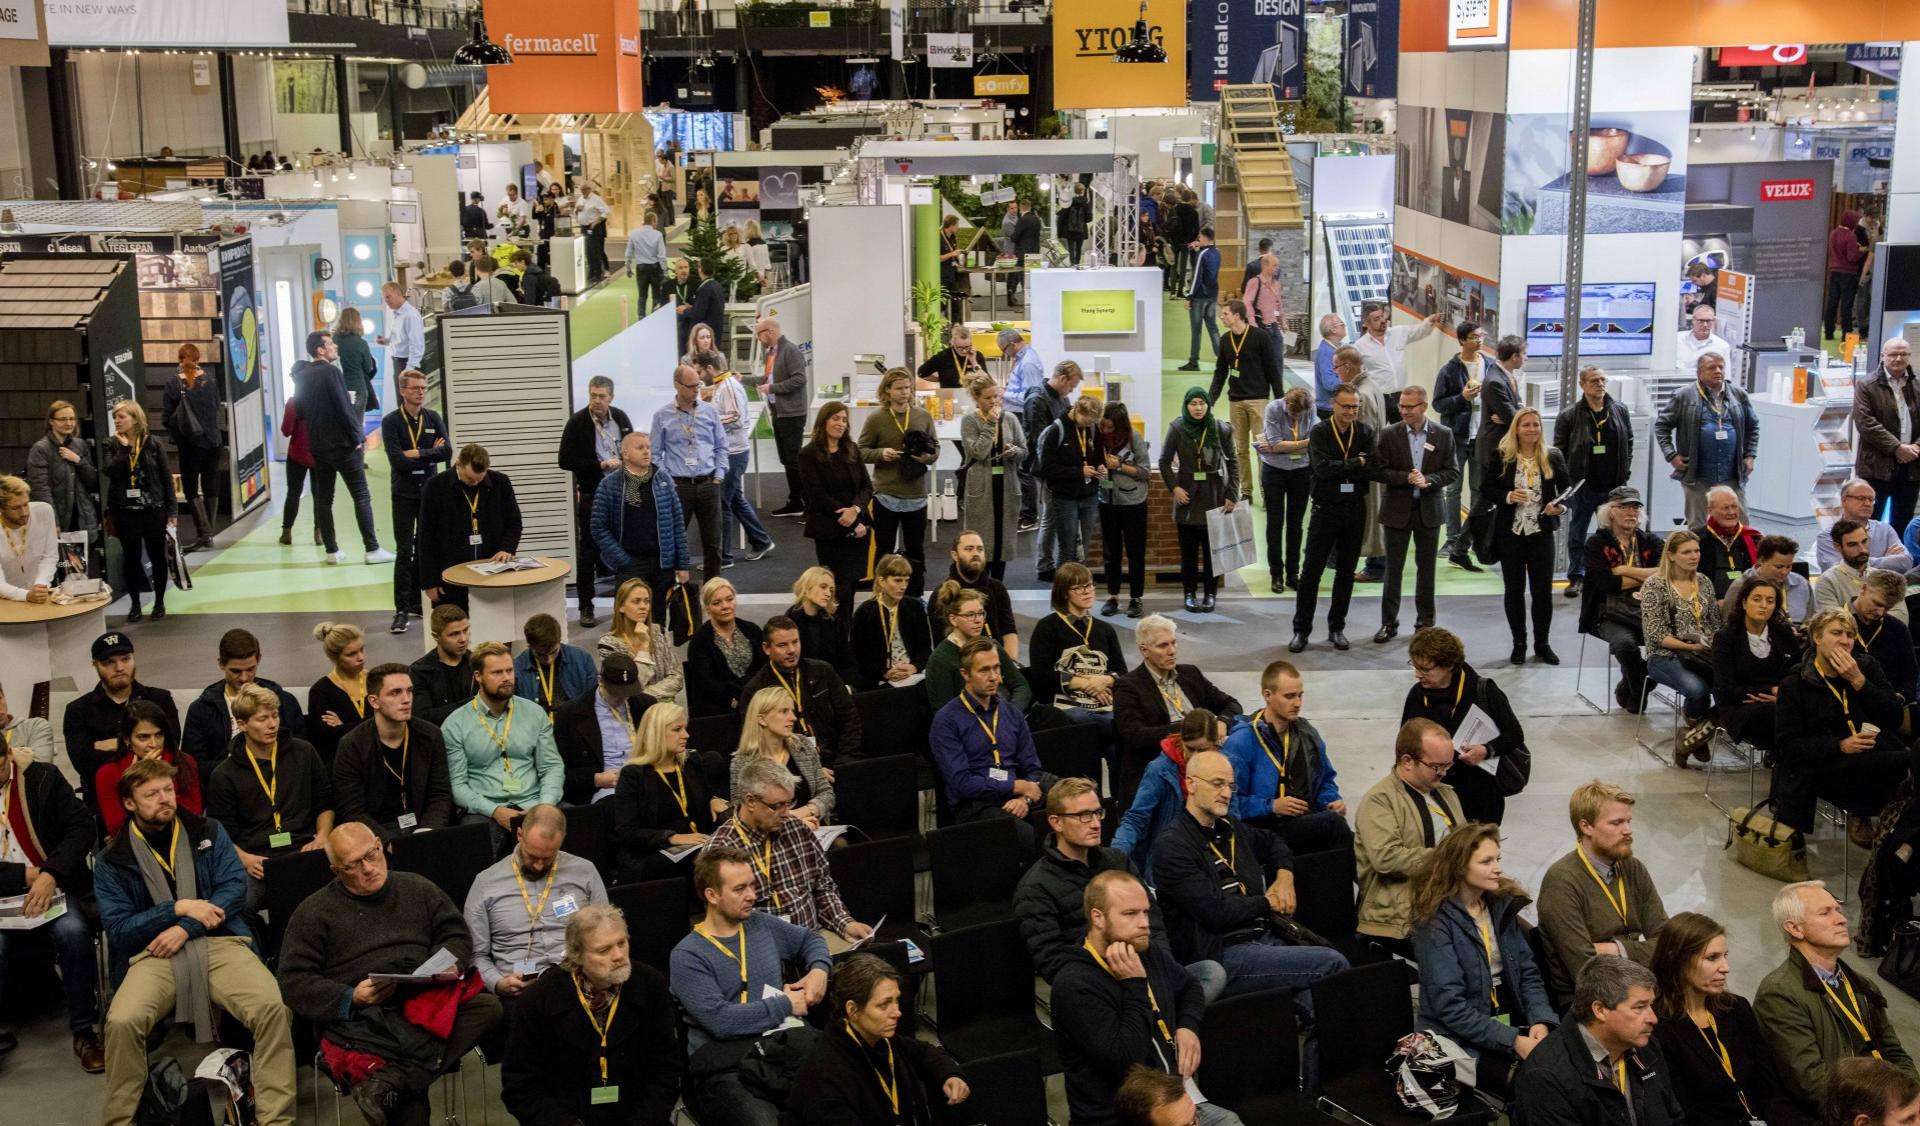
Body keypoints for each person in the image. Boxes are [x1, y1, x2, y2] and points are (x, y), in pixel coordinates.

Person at [96, 759, 295, 1126]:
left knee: (273, 1007)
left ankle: (275, 1120)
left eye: (168, 790)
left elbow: (234, 889)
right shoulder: (113, 859)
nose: (164, 799)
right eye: (151, 794)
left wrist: (185, 927)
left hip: (220, 941)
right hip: (152, 953)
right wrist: (175, 908)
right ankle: (120, 1120)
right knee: (123, 1021)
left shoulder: (207, 830)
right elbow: (120, 929)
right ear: (129, 803)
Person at [277, 822, 501, 1126]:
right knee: (411, 1114)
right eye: (355, 864)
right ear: (336, 870)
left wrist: (444, 963)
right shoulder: (314, 913)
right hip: (367, 1018)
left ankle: (391, 1081)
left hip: (423, 1001)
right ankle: (395, 1083)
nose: (369, 868)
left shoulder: (416, 887)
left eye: (372, 854)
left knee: (487, 1008)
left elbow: (455, 936)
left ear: (381, 845)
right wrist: (350, 997)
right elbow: (294, 982)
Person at [1152, 747, 1349, 1013]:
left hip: (1261, 937)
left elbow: (1273, 842)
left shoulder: (1228, 828)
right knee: (1332, 964)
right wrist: (1267, 903)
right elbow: (1215, 911)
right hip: (1223, 953)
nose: (1226, 793)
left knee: (1319, 1004)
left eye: (1231, 785)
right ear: (1191, 784)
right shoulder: (1172, 846)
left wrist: (1284, 876)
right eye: (1217, 784)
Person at [1053, 871, 1243, 1126]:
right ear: (1098, 917)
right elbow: (1126, 1060)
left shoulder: (1144, 949)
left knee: (1230, 1121)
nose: (1144, 923)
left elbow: (1189, 987)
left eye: (1145, 912)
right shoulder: (1075, 985)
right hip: (1125, 1118)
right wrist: (1134, 985)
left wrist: (1187, 1026)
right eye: (1130, 914)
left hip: (1173, 1101)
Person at [670, 846, 833, 1126]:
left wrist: (820, 968)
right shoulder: (687, 955)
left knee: (843, 1103)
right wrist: (785, 1004)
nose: (753, 896)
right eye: (740, 889)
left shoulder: (761, 925)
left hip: (780, 1047)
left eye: (753, 885)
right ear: (712, 895)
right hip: (727, 1065)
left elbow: (810, 940)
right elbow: (721, 1021)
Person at [500, 904, 681, 1126]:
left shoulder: (650, 985)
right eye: (603, 950)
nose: (618, 956)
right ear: (577, 956)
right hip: (566, 1117)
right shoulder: (538, 1001)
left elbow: (666, 1069)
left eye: (622, 943)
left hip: (639, 1116)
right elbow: (520, 1086)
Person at [1409, 823, 1557, 1093]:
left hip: (1506, 1018)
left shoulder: (1500, 905)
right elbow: (1450, 1008)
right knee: (1539, 1082)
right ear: (1459, 867)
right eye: (1486, 861)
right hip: (1455, 1037)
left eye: (1498, 859)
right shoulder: (1434, 923)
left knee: (1569, 1068)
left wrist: (1540, 1020)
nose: (1498, 868)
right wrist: (1513, 1040)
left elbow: (1528, 974)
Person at [1756, 880, 1918, 1104]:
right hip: (1841, 1113)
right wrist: (1886, 1107)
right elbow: (1813, 1084)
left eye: (1838, 911)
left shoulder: (1863, 985)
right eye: (1825, 913)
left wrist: (1911, 1096)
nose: (1842, 919)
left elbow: (1895, 1053)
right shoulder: (1779, 994)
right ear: (1795, 928)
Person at [1648, 911, 1812, 1126]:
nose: (1725, 968)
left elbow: (1771, 1088)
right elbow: (1685, 1112)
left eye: (1725, 955)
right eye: (1712, 958)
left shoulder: (1737, 1009)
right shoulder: (1658, 1028)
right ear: (1676, 959)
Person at [0, 730, 103, 1071]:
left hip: (54, 885)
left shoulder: (42, 778)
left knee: (73, 932)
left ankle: (84, 1031)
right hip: (4, 891)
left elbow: (82, 828)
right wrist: (24, 876)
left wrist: (50, 873)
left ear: (8, 758)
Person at [464, 803, 607, 1033]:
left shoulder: (585, 872)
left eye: (548, 858)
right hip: (522, 989)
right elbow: (476, 954)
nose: (539, 865)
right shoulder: (485, 883)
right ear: (519, 834)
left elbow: (605, 933)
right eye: (532, 856)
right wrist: (498, 983)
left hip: (578, 978)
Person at [1772, 610, 1913, 836]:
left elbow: (1894, 717)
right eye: (1836, 633)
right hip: (1829, 764)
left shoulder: (1866, 668)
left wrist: (1858, 681)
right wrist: (1840, 745)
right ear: (1817, 637)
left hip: (1875, 754)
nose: (1845, 641)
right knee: (1912, 761)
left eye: (1850, 635)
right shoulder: (1796, 683)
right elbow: (1786, 746)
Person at [788, 953, 970, 1125]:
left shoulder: (877, 1038)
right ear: (852, 1009)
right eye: (884, 1005)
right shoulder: (827, 1081)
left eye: (896, 1000)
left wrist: (949, 1074)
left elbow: (923, 1052)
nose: (897, 1012)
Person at [1510, 956, 1684, 1126]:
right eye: (1640, 1007)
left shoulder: (1646, 1045)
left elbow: (1674, 1117)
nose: (1653, 1019)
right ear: (1600, 1010)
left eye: (1651, 1005)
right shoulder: (1546, 1076)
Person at [1536, 781, 1669, 1001]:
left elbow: (1669, 943)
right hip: (1590, 1000)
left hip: (1640, 988)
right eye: (1617, 823)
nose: (1627, 830)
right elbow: (1585, 969)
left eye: (1628, 821)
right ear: (1586, 827)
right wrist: (1642, 950)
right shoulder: (1561, 881)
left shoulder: (1633, 868)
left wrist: (1615, 949)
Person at [204, 683, 333, 909]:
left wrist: (323, 836)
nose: (272, 724)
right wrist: (244, 859)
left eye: (275, 716)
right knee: (237, 905)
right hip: (259, 859)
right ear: (242, 724)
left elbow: (325, 803)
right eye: (262, 719)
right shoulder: (224, 774)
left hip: (304, 847)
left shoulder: (304, 752)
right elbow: (220, 832)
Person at [1019, 778, 1159, 980]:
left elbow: (1155, 922)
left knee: (1209, 973)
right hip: (1095, 986)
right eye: (1083, 816)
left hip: (1146, 967)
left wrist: (1156, 970)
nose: (1095, 824)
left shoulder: (1118, 860)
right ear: (1056, 822)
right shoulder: (1035, 888)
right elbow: (1052, 962)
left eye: (1097, 813)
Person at [929, 638, 1058, 851]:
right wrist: (1015, 786)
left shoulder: (1010, 712)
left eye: (997, 668)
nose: (993, 677)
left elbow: (1032, 766)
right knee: (1039, 843)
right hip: (977, 804)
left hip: (1021, 791)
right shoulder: (947, 721)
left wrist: (1024, 797)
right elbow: (963, 783)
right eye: (984, 670)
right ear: (965, 674)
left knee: (1077, 804)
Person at [1354, 719, 1468, 958]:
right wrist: (1449, 857)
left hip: (1450, 897)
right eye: (1436, 767)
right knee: (1464, 955)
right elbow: (1387, 859)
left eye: (1448, 765)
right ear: (1407, 761)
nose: (1444, 773)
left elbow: (1464, 840)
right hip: (1401, 912)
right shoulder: (1379, 801)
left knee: (1514, 934)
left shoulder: (1446, 793)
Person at [1219, 659, 1350, 853]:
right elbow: (1227, 802)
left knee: (1336, 830)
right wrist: (1271, 806)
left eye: (1300, 695)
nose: (1297, 703)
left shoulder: (1306, 733)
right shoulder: (1242, 742)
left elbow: (1325, 780)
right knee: (1334, 826)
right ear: (1268, 695)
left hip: (1303, 820)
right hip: (1262, 829)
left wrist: (1331, 801)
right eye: (1289, 696)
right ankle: (1370, 880)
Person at [1400, 627, 1527, 824]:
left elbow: (1514, 734)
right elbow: (1404, 745)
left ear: (1449, 665)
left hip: (1480, 798)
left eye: (1426, 669)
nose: (1418, 675)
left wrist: (1486, 750)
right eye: (1415, 667)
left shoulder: (1483, 691)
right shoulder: (1417, 696)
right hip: (1433, 797)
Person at [443, 641, 565, 841]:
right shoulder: (455, 724)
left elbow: (551, 766)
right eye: (497, 673)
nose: (507, 678)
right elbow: (457, 785)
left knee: (577, 825)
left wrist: (545, 805)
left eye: (509, 670)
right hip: (485, 810)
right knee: (474, 841)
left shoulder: (534, 713)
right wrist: (494, 811)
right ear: (478, 676)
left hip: (534, 801)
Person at [1113, 615, 1241, 805]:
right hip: (1161, 766)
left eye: (1174, 643)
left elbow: (1232, 704)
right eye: (1163, 646)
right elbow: (1135, 735)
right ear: (1144, 650)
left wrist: (1222, 721)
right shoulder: (1128, 686)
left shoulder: (1190, 673)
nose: (1172, 651)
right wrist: (1191, 729)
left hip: (1205, 757)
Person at [292, 331, 393, 567]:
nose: (335, 346)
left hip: (318, 445)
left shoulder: (303, 375)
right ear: (320, 349)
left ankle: (332, 551)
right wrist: (358, 436)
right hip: (343, 445)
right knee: (361, 495)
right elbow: (343, 408)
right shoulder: (332, 372)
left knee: (324, 498)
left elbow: (300, 411)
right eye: (330, 344)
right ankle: (372, 548)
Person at [1290, 384, 1375, 652]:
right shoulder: (1320, 432)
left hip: (1354, 509)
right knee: (1311, 572)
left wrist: (1350, 466)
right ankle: (1301, 630)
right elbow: (1323, 469)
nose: (1350, 411)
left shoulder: (1365, 432)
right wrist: (1354, 463)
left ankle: (1336, 627)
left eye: (1355, 407)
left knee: (1346, 572)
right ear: (1334, 405)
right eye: (1345, 406)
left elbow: (1370, 467)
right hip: (1325, 509)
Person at [1485, 405, 1570, 664]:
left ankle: (1542, 643)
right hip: (1510, 532)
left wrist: (1560, 506)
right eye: (1526, 425)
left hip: (1541, 533)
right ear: (1516, 429)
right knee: (1514, 590)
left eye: (1536, 424)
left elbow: (1567, 491)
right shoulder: (1502, 456)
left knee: (1542, 591)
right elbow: (1485, 488)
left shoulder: (1553, 456)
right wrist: (1508, 496)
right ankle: (1518, 643)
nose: (1532, 429)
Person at [332, 662, 455, 835]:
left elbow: (440, 794)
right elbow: (352, 810)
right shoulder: (352, 745)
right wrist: (387, 843)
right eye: (395, 693)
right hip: (376, 834)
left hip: (422, 826)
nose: (406, 699)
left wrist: (427, 831)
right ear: (374, 701)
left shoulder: (430, 735)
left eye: (409, 691)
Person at [1374, 385, 1457, 640]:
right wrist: (1406, 478)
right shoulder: (1389, 434)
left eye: (1409, 407)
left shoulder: (1443, 434)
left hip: (1429, 511)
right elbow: (1380, 471)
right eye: (1401, 406)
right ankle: (1389, 623)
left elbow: (1452, 472)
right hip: (1397, 511)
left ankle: (1425, 622)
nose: (1404, 411)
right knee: (1393, 569)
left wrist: (1429, 480)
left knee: (1426, 569)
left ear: (1424, 406)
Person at [609, 698, 720, 881]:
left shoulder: (691, 763)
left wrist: (713, 799)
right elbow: (627, 831)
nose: (686, 735)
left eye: (685, 728)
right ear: (656, 734)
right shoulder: (633, 775)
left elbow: (706, 797)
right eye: (677, 730)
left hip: (697, 845)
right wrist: (671, 837)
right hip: (653, 853)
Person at [64, 631, 180, 804]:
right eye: (109, 662)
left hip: (161, 793)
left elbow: (171, 748)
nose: (119, 668)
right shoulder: (78, 710)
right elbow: (87, 766)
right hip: (103, 799)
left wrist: (120, 746)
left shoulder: (160, 699)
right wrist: (139, 752)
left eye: (125, 659)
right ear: (94, 665)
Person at [1112, 710, 1229, 880]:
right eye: (1190, 748)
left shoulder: (1224, 768)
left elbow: (1232, 817)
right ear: (1181, 739)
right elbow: (1136, 818)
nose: (1195, 757)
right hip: (1169, 857)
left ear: (1215, 745)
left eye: (1203, 750)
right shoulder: (1159, 770)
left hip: (1213, 851)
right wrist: (1116, 855)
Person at [591, 432, 692, 621]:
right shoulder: (609, 485)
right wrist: (621, 560)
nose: (646, 451)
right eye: (640, 448)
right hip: (630, 563)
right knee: (630, 622)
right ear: (626, 454)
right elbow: (598, 527)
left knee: (658, 620)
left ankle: (657, 651)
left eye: (648, 447)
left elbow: (677, 524)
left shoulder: (663, 480)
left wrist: (682, 564)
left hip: (662, 563)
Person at [558, 375, 633, 627]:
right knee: (588, 551)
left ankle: (624, 605)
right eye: (593, 395)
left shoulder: (620, 419)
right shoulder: (578, 422)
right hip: (592, 494)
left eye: (601, 396)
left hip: (620, 494)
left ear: (611, 397)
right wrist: (599, 464)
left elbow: (631, 448)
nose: (596, 401)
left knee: (624, 548)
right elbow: (564, 460)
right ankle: (586, 607)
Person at [1640, 529, 1723, 758]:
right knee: (1698, 692)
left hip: (1703, 653)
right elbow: (1656, 633)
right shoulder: (1655, 585)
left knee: (1731, 688)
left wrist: (1711, 644)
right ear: (1671, 555)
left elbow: (1715, 623)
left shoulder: (1704, 582)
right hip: (1665, 655)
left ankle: (1692, 733)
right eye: (1687, 552)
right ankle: (1698, 734)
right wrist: (1690, 646)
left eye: (1696, 551)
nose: (1694, 556)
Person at [739, 615, 863, 767]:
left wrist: (844, 760)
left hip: (836, 758)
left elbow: (850, 718)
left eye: (795, 642)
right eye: (782, 645)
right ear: (766, 648)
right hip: (790, 770)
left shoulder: (823, 671)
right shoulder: (756, 690)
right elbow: (758, 744)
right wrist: (808, 771)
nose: (791, 650)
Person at [379, 368, 450, 633]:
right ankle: (401, 608)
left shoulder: (433, 417)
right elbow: (397, 460)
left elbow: (446, 451)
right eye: (415, 388)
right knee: (404, 549)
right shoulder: (391, 422)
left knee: (426, 546)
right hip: (404, 493)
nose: (420, 392)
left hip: (429, 492)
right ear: (403, 391)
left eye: (422, 387)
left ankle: (419, 602)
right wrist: (429, 453)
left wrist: (416, 453)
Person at [1578, 489, 1662, 711]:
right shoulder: (1596, 543)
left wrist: (1624, 569)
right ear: (1610, 512)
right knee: (1624, 645)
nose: (1631, 512)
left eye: (1635, 507)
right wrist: (1643, 576)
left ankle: (1630, 689)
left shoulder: (1651, 541)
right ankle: (1644, 681)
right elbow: (1606, 583)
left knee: (1672, 643)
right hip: (1608, 613)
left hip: (1648, 611)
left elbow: (1663, 574)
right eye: (1624, 507)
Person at [1554, 366, 1634, 599]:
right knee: (1577, 533)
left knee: (1613, 533)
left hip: (1613, 485)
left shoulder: (1618, 410)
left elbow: (1628, 441)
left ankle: (1609, 576)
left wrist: (1625, 472)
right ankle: (1576, 576)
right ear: (1582, 385)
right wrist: (1566, 483)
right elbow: (1559, 451)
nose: (1600, 384)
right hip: (1583, 486)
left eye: (1602, 380)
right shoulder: (1570, 415)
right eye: (1593, 381)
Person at [692, 348, 775, 569]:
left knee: (722, 504)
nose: (699, 377)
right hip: (731, 451)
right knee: (735, 499)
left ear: (709, 368)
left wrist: (707, 419)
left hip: (733, 453)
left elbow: (736, 418)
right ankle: (761, 541)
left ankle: (724, 557)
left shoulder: (728, 387)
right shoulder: (721, 385)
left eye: (700, 372)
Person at [1656, 352, 1760, 527]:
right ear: (1699, 372)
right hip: (1698, 475)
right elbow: (1662, 426)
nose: (1718, 371)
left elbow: (1753, 426)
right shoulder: (1683, 396)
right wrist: (1671, 455)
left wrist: (1750, 455)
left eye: (1721, 367)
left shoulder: (1738, 395)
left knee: (1741, 523)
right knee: (1698, 526)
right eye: (1712, 367)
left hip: (1731, 473)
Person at [858, 369, 937, 594]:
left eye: (908, 388)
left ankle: (915, 597)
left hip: (916, 495)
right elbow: (861, 450)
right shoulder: (876, 418)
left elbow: (935, 448)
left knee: (916, 552)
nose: (905, 393)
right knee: (884, 551)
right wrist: (881, 453)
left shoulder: (922, 416)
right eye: (899, 388)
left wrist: (927, 457)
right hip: (886, 494)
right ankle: (880, 597)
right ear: (887, 391)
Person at [1161, 386, 1238, 614]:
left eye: (1201, 403)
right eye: (1193, 403)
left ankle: (1210, 594)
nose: (1197, 408)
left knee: (1212, 551)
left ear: (1208, 405)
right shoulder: (1177, 427)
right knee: (1189, 552)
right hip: (1187, 495)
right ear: (1186, 405)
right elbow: (1164, 461)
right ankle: (1189, 593)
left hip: (1214, 493)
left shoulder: (1220, 428)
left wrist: (1232, 494)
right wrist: (1174, 487)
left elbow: (1233, 461)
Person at [417, 443, 523, 609]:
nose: (474, 483)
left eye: (479, 479)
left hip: (492, 572)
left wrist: (507, 548)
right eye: (469, 479)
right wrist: (429, 581)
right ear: (458, 464)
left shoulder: (500, 482)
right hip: (450, 576)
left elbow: (514, 522)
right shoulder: (435, 486)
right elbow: (426, 536)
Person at [652, 362, 729, 585]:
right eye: (691, 386)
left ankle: (712, 591)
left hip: (708, 483)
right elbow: (655, 455)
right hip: (679, 486)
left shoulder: (709, 411)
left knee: (713, 544)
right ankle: (675, 590)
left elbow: (722, 446)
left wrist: (719, 475)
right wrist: (669, 481)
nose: (697, 390)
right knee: (675, 541)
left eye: (698, 385)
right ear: (677, 386)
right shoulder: (662, 416)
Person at [797, 402, 873, 623]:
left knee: (851, 587)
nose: (841, 423)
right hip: (829, 530)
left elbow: (867, 487)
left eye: (844, 420)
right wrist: (849, 520)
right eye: (836, 418)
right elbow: (816, 495)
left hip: (857, 530)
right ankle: (835, 634)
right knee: (836, 589)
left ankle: (846, 635)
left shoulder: (852, 449)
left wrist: (856, 510)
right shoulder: (808, 454)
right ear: (823, 421)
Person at [1712, 575, 1801, 759]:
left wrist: (1783, 695)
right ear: (1744, 603)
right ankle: (1785, 762)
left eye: (1770, 601)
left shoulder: (1782, 632)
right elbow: (1726, 690)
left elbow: (1796, 669)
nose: (1763, 605)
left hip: (1780, 700)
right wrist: (1771, 691)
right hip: (1739, 706)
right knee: (1780, 715)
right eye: (1757, 599)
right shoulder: (1726, 637)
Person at [102, 399, 176, 621]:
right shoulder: (110, 444)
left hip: (153, 509)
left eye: (121, 417)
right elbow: (110, 471)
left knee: (157, 556)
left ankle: (160, 602)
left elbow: (166, 479)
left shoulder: (154, 444)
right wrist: (124, 450)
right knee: (131, 558)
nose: (117, 421)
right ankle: (135, 605)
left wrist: (172, 511)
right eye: (115, 417)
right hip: (125, 511)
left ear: (135, 418)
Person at [1207, 299, 1285, 507]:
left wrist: (1280, 400)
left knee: (1263, 448)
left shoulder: (1261, 337)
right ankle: (1246, 491)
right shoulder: (1225, 340)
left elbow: (1272, 369)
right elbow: (1220, 371)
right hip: (1236, 402)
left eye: (1225, 314)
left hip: (1259, 400)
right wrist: (1211, 398)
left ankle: (1266, 492)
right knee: (1239, 449)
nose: (1221, 317)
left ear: (1237, 315)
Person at [1029, 562, 1127, 719]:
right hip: (1065, 703)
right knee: (1086, 720)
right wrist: (1085, 684)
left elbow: (1122, 671)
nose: (1087, 592)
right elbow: (1041, 676)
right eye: (1079, 588)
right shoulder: (1047, 627)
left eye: (1089, 585)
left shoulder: (1105, 629)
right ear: (1064, 593)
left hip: (1102, 700)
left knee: (1125, 719)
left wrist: (1104, 680)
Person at [94, 699, 204, 835]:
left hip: (182, 838)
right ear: (127, 739)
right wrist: (137, 778)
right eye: (143, 737)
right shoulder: (107, 774)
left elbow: (194, 816)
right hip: (134, 845)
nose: (153, 744)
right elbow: (117, 829)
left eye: (159, 735)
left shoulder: (184, 762)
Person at [731, 686, 836, 826]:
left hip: (813, 824)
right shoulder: (742, 763)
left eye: (792, 711)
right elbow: (742, 813)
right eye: (784, 711)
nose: (793, 718)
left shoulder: (803, 745)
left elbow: (827, 794)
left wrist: (803, 813)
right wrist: (790, 822)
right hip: (770, 834)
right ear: (762, 719)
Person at [924, 583, 1033, 712]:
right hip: (967, 725)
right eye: (970, 615)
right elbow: (944, 709)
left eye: (981, 613)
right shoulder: (941, 659)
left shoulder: (991, 646)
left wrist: (1011, 711)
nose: (978, 620)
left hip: (1003, 714)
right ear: (953, 619)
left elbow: (1021, 686)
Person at [960, 377, 1027, 581]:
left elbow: (1024, 451)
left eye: (997, 396)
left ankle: (998, 587)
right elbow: (977, 452)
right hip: (982, 485)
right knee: (981, 541)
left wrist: (1013, 451)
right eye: (988, 397)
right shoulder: (970, 421)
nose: (994, 401)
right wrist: (990, 423)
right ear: (977, 399)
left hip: (1006, 483)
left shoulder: (1011, 419)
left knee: (1003, 540)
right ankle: (979, 586)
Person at [1434, 322, 1489, 569]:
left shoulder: (1489, 365)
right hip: (1457, 437)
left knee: (1479, 491)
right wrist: (1462, 399)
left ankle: (1474, 539)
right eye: (1474, 337)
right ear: (1462, 340)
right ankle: (1452, 539)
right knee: (1453, 491)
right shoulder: (1449, 370)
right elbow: (1438, 404)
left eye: (1481, 336)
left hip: (1483, 437)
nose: (1479, 341)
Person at [162, 342, 224, 552]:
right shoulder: (211, 381)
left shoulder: (173, 384)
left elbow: (166, 418)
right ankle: (209, 533)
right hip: (213, 441)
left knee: (190, 488)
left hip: (190, 444)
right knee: (210, 484)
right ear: (198, 359)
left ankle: (204, 534)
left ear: (180, 359)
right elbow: (216, 407)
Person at [1094, 399, 1153, 616]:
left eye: (1110, 427)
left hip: (1133, 502)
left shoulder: (1133, 438)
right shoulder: (1097, 438)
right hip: (1107, 500)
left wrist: (1119, 466)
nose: (1105, 430)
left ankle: (1136, 598)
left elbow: (1145, 471)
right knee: (1111, 552)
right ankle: (1112, 596)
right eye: (1103, 426)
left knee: (1135, 552)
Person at [1027, 360, 1085, 580]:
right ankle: (1044, 565)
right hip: (1046, 470)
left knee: (1053, 516)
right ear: (1062, 378)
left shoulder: (1062, 398)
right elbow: (1038, 439)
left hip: (1058, 468)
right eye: (1071, 385)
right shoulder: (1037, 399)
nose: (1072, 390)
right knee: (1050, 517)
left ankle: (1049, 562)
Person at [1857, 338, 1920, 534]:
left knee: (1903, 523)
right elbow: (1865, 423)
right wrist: (1897, 448)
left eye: (1903, 354)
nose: (1898, 358)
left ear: (1909, 357)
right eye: (1893, 354)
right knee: (1870, 523)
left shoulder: (1917, 385)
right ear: (1883, 356)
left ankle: (1899, 564)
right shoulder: (1866, 385)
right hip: (1876, 467)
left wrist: (1916, 447)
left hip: (1911, 466)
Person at [1255, 387, 1314, 596]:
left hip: (1301, 471)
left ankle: (1292, 573)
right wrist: (1302, 444)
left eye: (1301, 415)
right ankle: (1276, 574)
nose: (1297, 417)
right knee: (1275, 522)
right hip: (1274, 471)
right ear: (1287, 404)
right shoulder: (1273, 409)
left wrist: (1286, 445)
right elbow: (1275, 444)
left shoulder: (1310, 408)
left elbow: (1313, 443)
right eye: (1293, 414)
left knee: (1296, 525)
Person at [1041, 393, 1108, 573]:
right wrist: (1079, 472)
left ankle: (1079, 588)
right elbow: (1047, 468)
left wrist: (1101, 466)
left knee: (1082, 549)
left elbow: (1099, 456)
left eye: (1092, 422)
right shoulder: (1057, 430)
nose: (1089, 425)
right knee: (1068, 549)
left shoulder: (1093, 429)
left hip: (1090, 496)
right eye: (1086, 421)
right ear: (1077, 412)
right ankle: (1063, 591)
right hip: (1065, 497)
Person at [754, 316, 811, 518]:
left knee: (794, 460)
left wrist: (772, 388)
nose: (758, 337)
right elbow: (767, 379)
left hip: (792, 414)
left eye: (759, 333)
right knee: (787, 459)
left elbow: (799, 379)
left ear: (769, 332)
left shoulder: (791, 350)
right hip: (779, 413)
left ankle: (807, 503)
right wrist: (741, 378)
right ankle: (796, 500)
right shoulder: (771, 354)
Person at [850, 553, 933, 690]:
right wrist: (885, 672)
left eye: (906, 580)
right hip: (880, 679)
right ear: (882, 581)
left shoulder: (914, 608)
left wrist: (914, 666)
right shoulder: (865, 613)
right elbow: (858, 657)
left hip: (913, 675)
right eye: (897, 580)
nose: (903, 586)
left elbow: (925, 650)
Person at [686, 577, 765, 717]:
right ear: (707, 608)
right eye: (717, 603)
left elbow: (764, 668)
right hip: (719, 711)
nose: (725, 606)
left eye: (729, 599)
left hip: (757, 702)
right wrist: (737, 700)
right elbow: (709, 684)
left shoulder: (752, 630)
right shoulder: (699, 642)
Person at [937, 530, 1022, 657]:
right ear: (955, 555)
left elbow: (1009, 630)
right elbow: (942, 644)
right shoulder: (942, 594)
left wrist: (1011, 664)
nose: (976, 553)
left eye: (980, 549)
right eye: (969, 549)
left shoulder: (997, 588)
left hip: (997, 661)